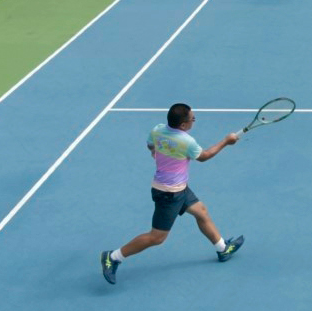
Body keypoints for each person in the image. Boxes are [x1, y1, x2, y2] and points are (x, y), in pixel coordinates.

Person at [99, 102, 246, 284]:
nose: (194, 120)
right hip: (169, 194)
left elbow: (150, 145)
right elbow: (205, 156)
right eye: (192, 119)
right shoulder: (186, 141)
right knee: (157, 237)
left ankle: (222, 248)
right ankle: (113, 257)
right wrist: (226, 141)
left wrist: (159, 152)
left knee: (201, 212)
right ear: (183, 125)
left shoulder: (158, 130)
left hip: (179, 188)